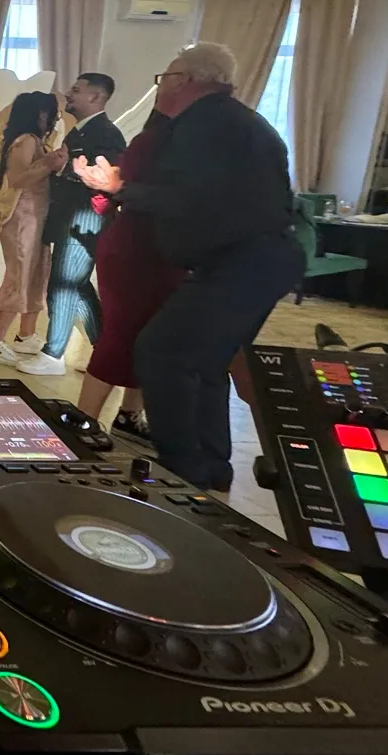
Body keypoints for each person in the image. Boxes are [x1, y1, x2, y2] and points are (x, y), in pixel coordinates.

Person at [77, 42, 304, 490]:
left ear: (187, 81)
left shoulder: (206, 124)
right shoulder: (238, 120)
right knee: (204, 361)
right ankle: (210, 470)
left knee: (163, 351)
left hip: (242, 261)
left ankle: (184, 471)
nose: (161, 88)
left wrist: (119, 188)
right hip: (260, 258)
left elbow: (188, 198)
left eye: (166, 78)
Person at [76, 109, 179, 438]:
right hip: (138, 253)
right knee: (121, 337)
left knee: (149, 338)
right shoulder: (153, 146)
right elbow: (110, 197)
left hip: (157, 254)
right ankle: (83, 422)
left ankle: (128, 415)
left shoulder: (163, 146)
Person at [17, 73, 126, 376]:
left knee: (63, 285)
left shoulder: (105, 134)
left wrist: (66, 169)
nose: (68, 94)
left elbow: (108, 180)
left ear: (96, 97)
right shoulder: (81, 131)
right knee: (78, 287)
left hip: (84, 219)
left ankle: (53, 354)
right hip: (70, 217)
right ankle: (105, 350)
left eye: (76, 90)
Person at [0, 90, 61, 365]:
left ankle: (25, 334)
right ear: (40, 114)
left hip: (36, 217)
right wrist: (49, 163)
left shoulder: (37, 141)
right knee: (18, 277)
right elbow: (19, 178)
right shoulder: (26, 141)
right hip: (22, 217)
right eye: (51, 112)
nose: (55, 118)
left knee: (36, 274)